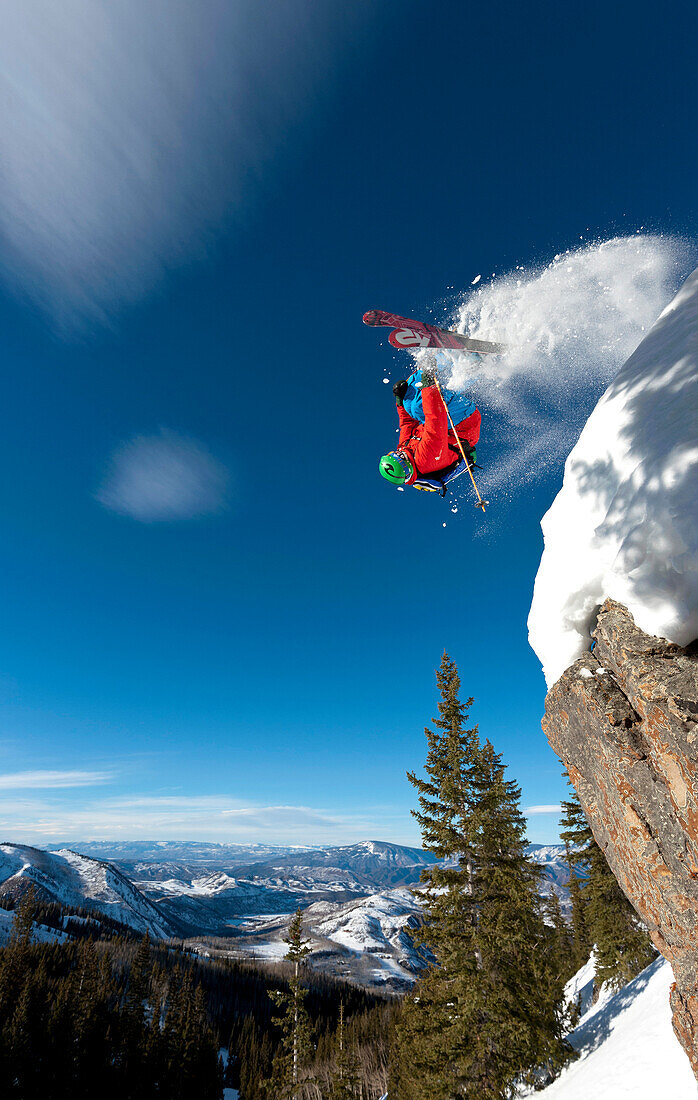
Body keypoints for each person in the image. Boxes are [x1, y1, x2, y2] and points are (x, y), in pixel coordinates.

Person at [379, 360, 481, 489]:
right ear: (407, 472)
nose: (401, 454)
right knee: (418, 407)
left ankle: (429, 361)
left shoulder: (404, 450)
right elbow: (436, 421)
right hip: (464, 424)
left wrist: (400, 401)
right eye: (403, 462)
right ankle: (471, 364)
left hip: (446, 423)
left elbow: (407, 425)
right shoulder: (425, 460)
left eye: (395, 455)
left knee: (409, 403)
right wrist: (429, 386)